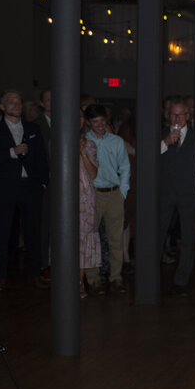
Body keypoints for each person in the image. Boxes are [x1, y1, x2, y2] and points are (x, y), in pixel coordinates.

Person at [0, 89, 49, 290]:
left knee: (33, 231)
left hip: (30, 187)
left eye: (19, 102)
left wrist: (43, 183)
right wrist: (11, 152)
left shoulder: (33, 128)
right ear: (2, 106)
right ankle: (1, 275)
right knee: (3, 231)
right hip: (5, 188)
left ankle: (34, 273)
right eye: (11, 102)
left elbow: (41, 158)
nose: (16, 105)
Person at [158, 99, 195, 297]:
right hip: (165, 193)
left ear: (187, 117)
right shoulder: (161, 137)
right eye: (174, 114)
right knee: (158, 235)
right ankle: (152, 279)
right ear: (168, 116)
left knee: (188, 239)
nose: (177, 118)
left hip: (189, 194)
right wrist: (166, 143)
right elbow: (148, 160)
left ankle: (181, 282)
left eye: (181, 114)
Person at [84, 103, 131, 291]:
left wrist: (123, 191)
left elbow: (125, 167)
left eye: (102, 121)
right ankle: (93, 279)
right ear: (89, 123)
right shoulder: (84, 141)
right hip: (93, 193)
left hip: (113, 193)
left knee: (115, 238)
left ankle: (115, 277)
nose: (100, 125)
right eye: (95, 121)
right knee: (91, 237)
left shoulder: (116, 141)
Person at [77, 119, 101, 298]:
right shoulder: (58, 140)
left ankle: (79, 282)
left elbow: (93, 174)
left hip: (85, 197)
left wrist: (82, 152)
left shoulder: (90, 144)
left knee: (84, 240)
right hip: (66, 196)